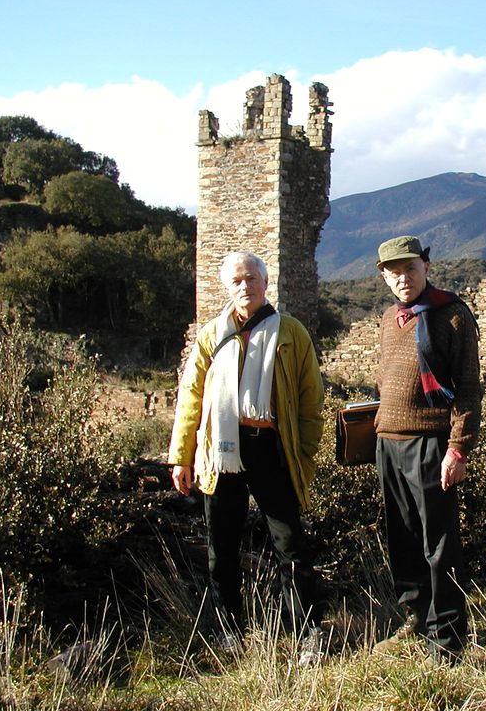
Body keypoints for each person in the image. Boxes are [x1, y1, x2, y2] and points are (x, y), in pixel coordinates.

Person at [167, 251, 326, 666]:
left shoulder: (291, 333)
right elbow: (191, 398)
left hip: (271, 448)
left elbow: (312, 399)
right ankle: (229, 630)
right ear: (227, 286)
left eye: (251, 278)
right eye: (237, 280)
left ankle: (307, 631)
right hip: (220, 452)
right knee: (222, 544)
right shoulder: (210, 335)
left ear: (265, 282)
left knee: (289, 541)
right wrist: (181, 457)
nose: (245, 286)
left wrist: (304, 453)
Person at [372, 235, 482, 664]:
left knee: (439, 545)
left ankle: (448, 639)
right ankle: (415, 620)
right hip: (389, 443)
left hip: (432, 445)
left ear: (426, 267)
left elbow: (469, 391)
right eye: (394, 271)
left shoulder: (451, 316)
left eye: (410, 268)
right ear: (383, 276)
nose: (403, 278)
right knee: (401, 539)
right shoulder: (388, 319)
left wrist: (458, 449)